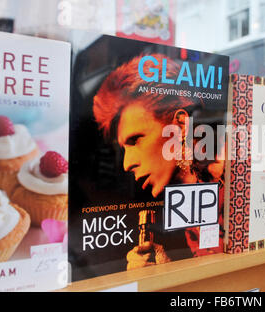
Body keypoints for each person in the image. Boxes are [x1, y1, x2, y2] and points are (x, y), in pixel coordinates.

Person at [93, 53, 225, 269]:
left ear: (181, 125)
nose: (127, 164)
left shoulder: (232, 188)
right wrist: (163, 266)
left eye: (135, 140)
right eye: (124, 148)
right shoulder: (188, 201)